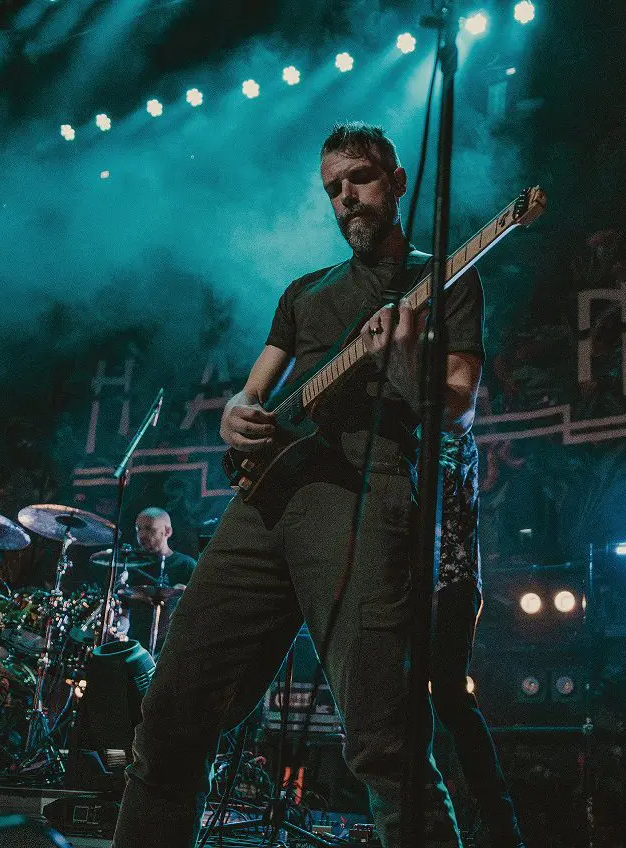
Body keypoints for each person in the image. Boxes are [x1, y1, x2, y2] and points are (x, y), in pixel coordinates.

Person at [111, 122, 482, 848]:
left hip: (364, 497)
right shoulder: (304, 292)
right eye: (334, 189)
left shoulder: (448, 278)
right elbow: (252, 391)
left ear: (397, 183)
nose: (347, 199)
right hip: (265, 503)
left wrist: (405, 363)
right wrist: (234, 413)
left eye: (361, 180)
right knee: (172, 713)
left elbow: (459, 407)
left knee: (384, 740)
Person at [429, 432, 524, 848]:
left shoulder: (449, 435)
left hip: (450, 583)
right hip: (420, 584)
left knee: (450, 699)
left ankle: (499, 825)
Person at [122, 507, 197, 655]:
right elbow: (124, 607)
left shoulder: (186, 565)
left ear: (167, 531)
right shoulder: (132, 566)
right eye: (138, 529)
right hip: (135, 645)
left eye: (149, 529)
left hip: (173, 646)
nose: (142, 535)